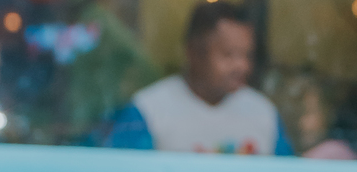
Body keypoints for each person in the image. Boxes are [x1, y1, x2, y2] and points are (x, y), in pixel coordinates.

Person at [107, 2, 294, 156]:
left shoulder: (264, 113)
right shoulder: (148, 111)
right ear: (193, 53)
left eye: (247, 56)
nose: (242, 66)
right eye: (228, 55)